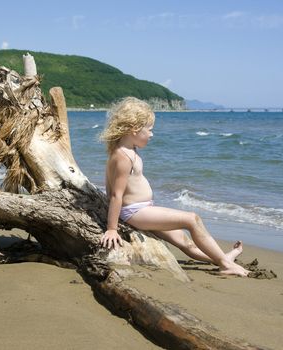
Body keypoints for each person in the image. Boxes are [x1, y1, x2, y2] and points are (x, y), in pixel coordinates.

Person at [99, 97, 249, 277]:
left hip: (143, 210)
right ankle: (226, 264)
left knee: (187, 244)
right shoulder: (122, 156)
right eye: (149, 130)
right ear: (134, 129)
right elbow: (116, 195)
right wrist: (112, 229)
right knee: (192, 219)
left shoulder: (128, 150)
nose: (152, 134)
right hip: (134, 212)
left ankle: (224, 259)